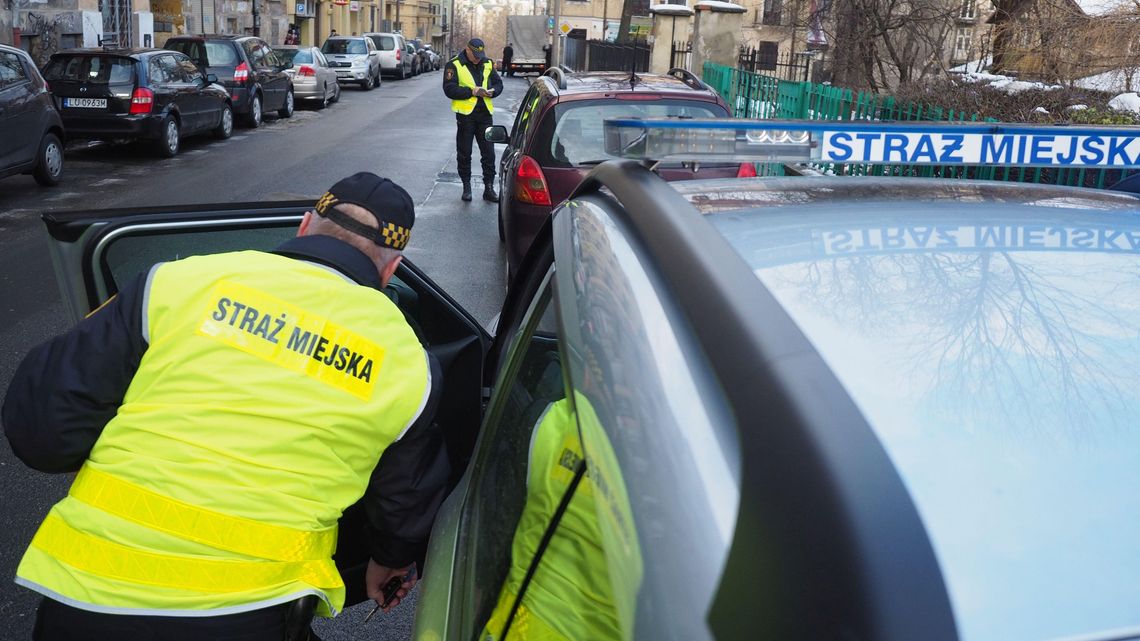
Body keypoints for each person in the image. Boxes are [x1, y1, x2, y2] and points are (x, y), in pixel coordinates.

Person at [3, 172, 450, 641]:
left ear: (303, 226)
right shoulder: (408, 363)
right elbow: (405, 498)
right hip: (251, 607)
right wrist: (390, 560)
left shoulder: (178, 280)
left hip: (87, 591)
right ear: (391, 269)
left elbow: (41, 431)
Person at [443, 37, 503, 203]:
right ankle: (466, 187)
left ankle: (489, 188)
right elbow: (449, 89)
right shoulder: (454, 65)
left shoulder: (487, 63)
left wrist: (493, 91)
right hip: (466, 116)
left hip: (485, 115)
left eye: (480, 54)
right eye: (475, 54)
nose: (478, 58)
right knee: (464, 153)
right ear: (467, 50)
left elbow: (499, 83)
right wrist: (472, 91)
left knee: (489, 153)